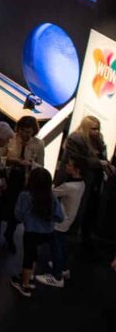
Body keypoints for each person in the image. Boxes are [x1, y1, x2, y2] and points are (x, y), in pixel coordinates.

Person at [55, 115, 113, 246]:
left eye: (98, 128)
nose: (97, 131)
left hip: (92, 180)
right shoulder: (75, 138)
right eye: (93, 129)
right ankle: (65, 235)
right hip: (75, 178)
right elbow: (77, 159)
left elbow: (102, 156)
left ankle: (77, 235)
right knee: (72, 208)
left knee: (86, 208)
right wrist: (99, 163)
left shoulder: (99, 140)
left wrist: (107, 165)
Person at [12, 167, 64, 297]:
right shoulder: (51, 197)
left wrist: (26, 218)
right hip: (48, 232)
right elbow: (60, 217)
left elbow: (17, 215)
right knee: (34, 255)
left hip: (31, 232)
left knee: (28, 257)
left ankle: (24, 285)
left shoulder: (24, 196)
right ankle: (30, 277)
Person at [0, 116, 44, 251]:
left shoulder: (39, 145)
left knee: (17, 211)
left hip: (24, 181)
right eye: (22, 131)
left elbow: (41, 166)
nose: (24, 134)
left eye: (28, 132)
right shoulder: (10, 138)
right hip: (7, 177)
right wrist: (13, 161)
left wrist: (31, 164)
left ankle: (9, 235)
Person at [36, 157, 85, 287]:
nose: (67, 166)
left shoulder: (69, 186)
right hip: (69, 218)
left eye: (69, 165)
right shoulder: (81, 184)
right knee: (62, 244)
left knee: (56, 247)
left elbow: (52, 193)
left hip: (60, 220)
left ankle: (57, 277)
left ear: (77, 170)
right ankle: (63, 268)